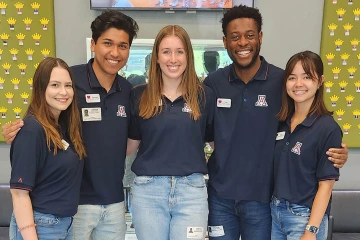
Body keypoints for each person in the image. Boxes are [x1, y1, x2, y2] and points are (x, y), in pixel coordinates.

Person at [203, 5, 348, 240]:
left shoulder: (283, 82)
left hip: (263, 200)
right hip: (220, 198)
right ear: (225, 41)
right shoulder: (213, 83)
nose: (242, 43)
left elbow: (306, 126)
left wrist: (336, 152)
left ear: (260, 37)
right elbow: (201, 131)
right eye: (235, 37)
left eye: (250, 35)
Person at [2, 10, 139, 240]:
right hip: (73, 205)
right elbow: (41, 121)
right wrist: (17, 131)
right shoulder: (69, 82)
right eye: (107, 43)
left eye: (123, 46)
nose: (115, 52)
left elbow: (130, 143)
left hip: (114, 204)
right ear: (94, 44)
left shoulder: (128, 91)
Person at [126, 25, 214, 240]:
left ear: (188, 56)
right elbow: (128, 147)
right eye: (166, 51)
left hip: (191, 191)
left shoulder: (205, 96)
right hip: (148, 192)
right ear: (156, 56)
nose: (173, 59)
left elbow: (216, 144)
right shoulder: (139, 96)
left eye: (179, 51)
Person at [9, 57, 86, 240]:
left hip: (64, 225)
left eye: (68, 85)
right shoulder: (31, 129)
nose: (63, 92)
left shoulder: (62, 127)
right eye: (55, 85)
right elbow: (19, 193)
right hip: (40, 225)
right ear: (41, 88)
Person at [271, 51, 341, 240]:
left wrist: (311, 231)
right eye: (292, 78)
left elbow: (326, 186)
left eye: (307, 77)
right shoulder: (282, 122)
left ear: (320, 81)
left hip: (304, 217)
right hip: (275, 212)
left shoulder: (328, 128)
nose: (299, 84)